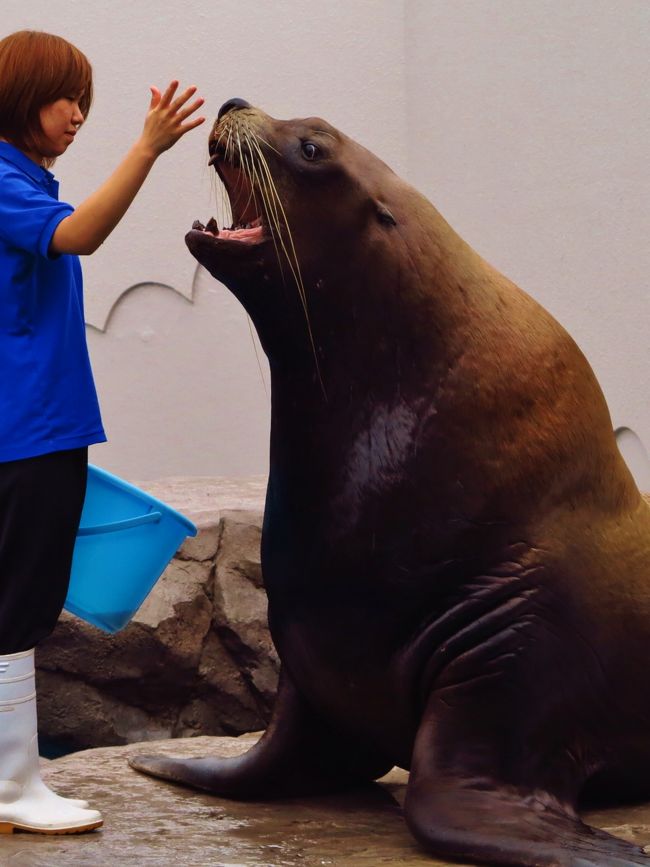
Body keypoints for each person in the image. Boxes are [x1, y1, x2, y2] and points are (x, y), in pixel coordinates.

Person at [0, 30, 205, 835]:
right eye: (65, 96)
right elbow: (80, 233)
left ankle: (15, 777)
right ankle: (15, 784)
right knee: (19, 608)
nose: (78, 113)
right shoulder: (8, 183)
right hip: (28, 431)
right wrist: (148, 150)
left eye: (83, 97)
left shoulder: (24, 179)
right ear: (23, 98)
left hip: (29, 429)